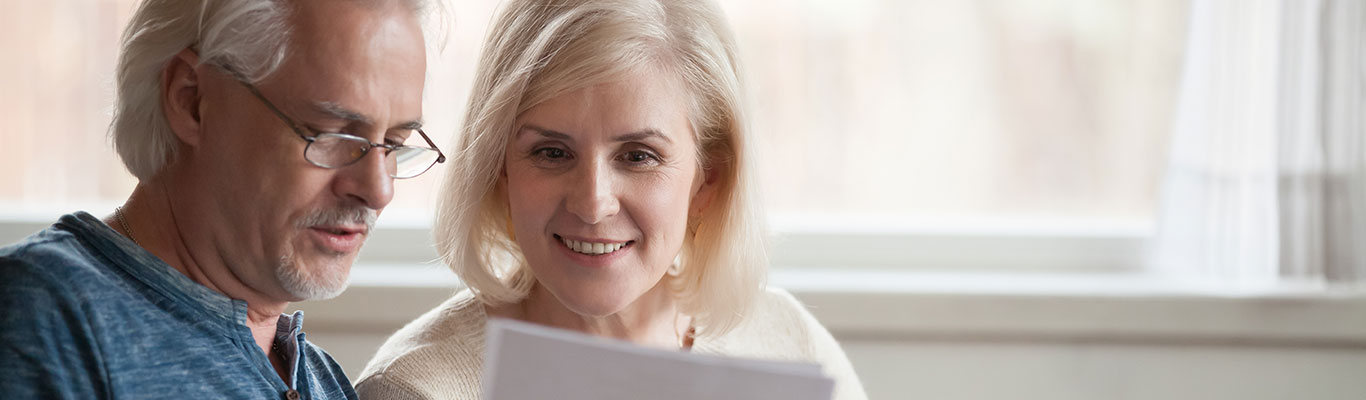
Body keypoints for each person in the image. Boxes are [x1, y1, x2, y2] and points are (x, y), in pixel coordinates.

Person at [355, 0, 867, 399]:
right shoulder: (417, 390)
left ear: (707, 180)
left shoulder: (786, 344)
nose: (593, 203)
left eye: (639, 156)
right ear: (499, 170)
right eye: (552, 152)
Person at [0, 0, 443, 398]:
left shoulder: (324, 381)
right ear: (191, 100)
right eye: (331, 135)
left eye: (395, 142)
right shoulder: (41, 318)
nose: (378, 190)